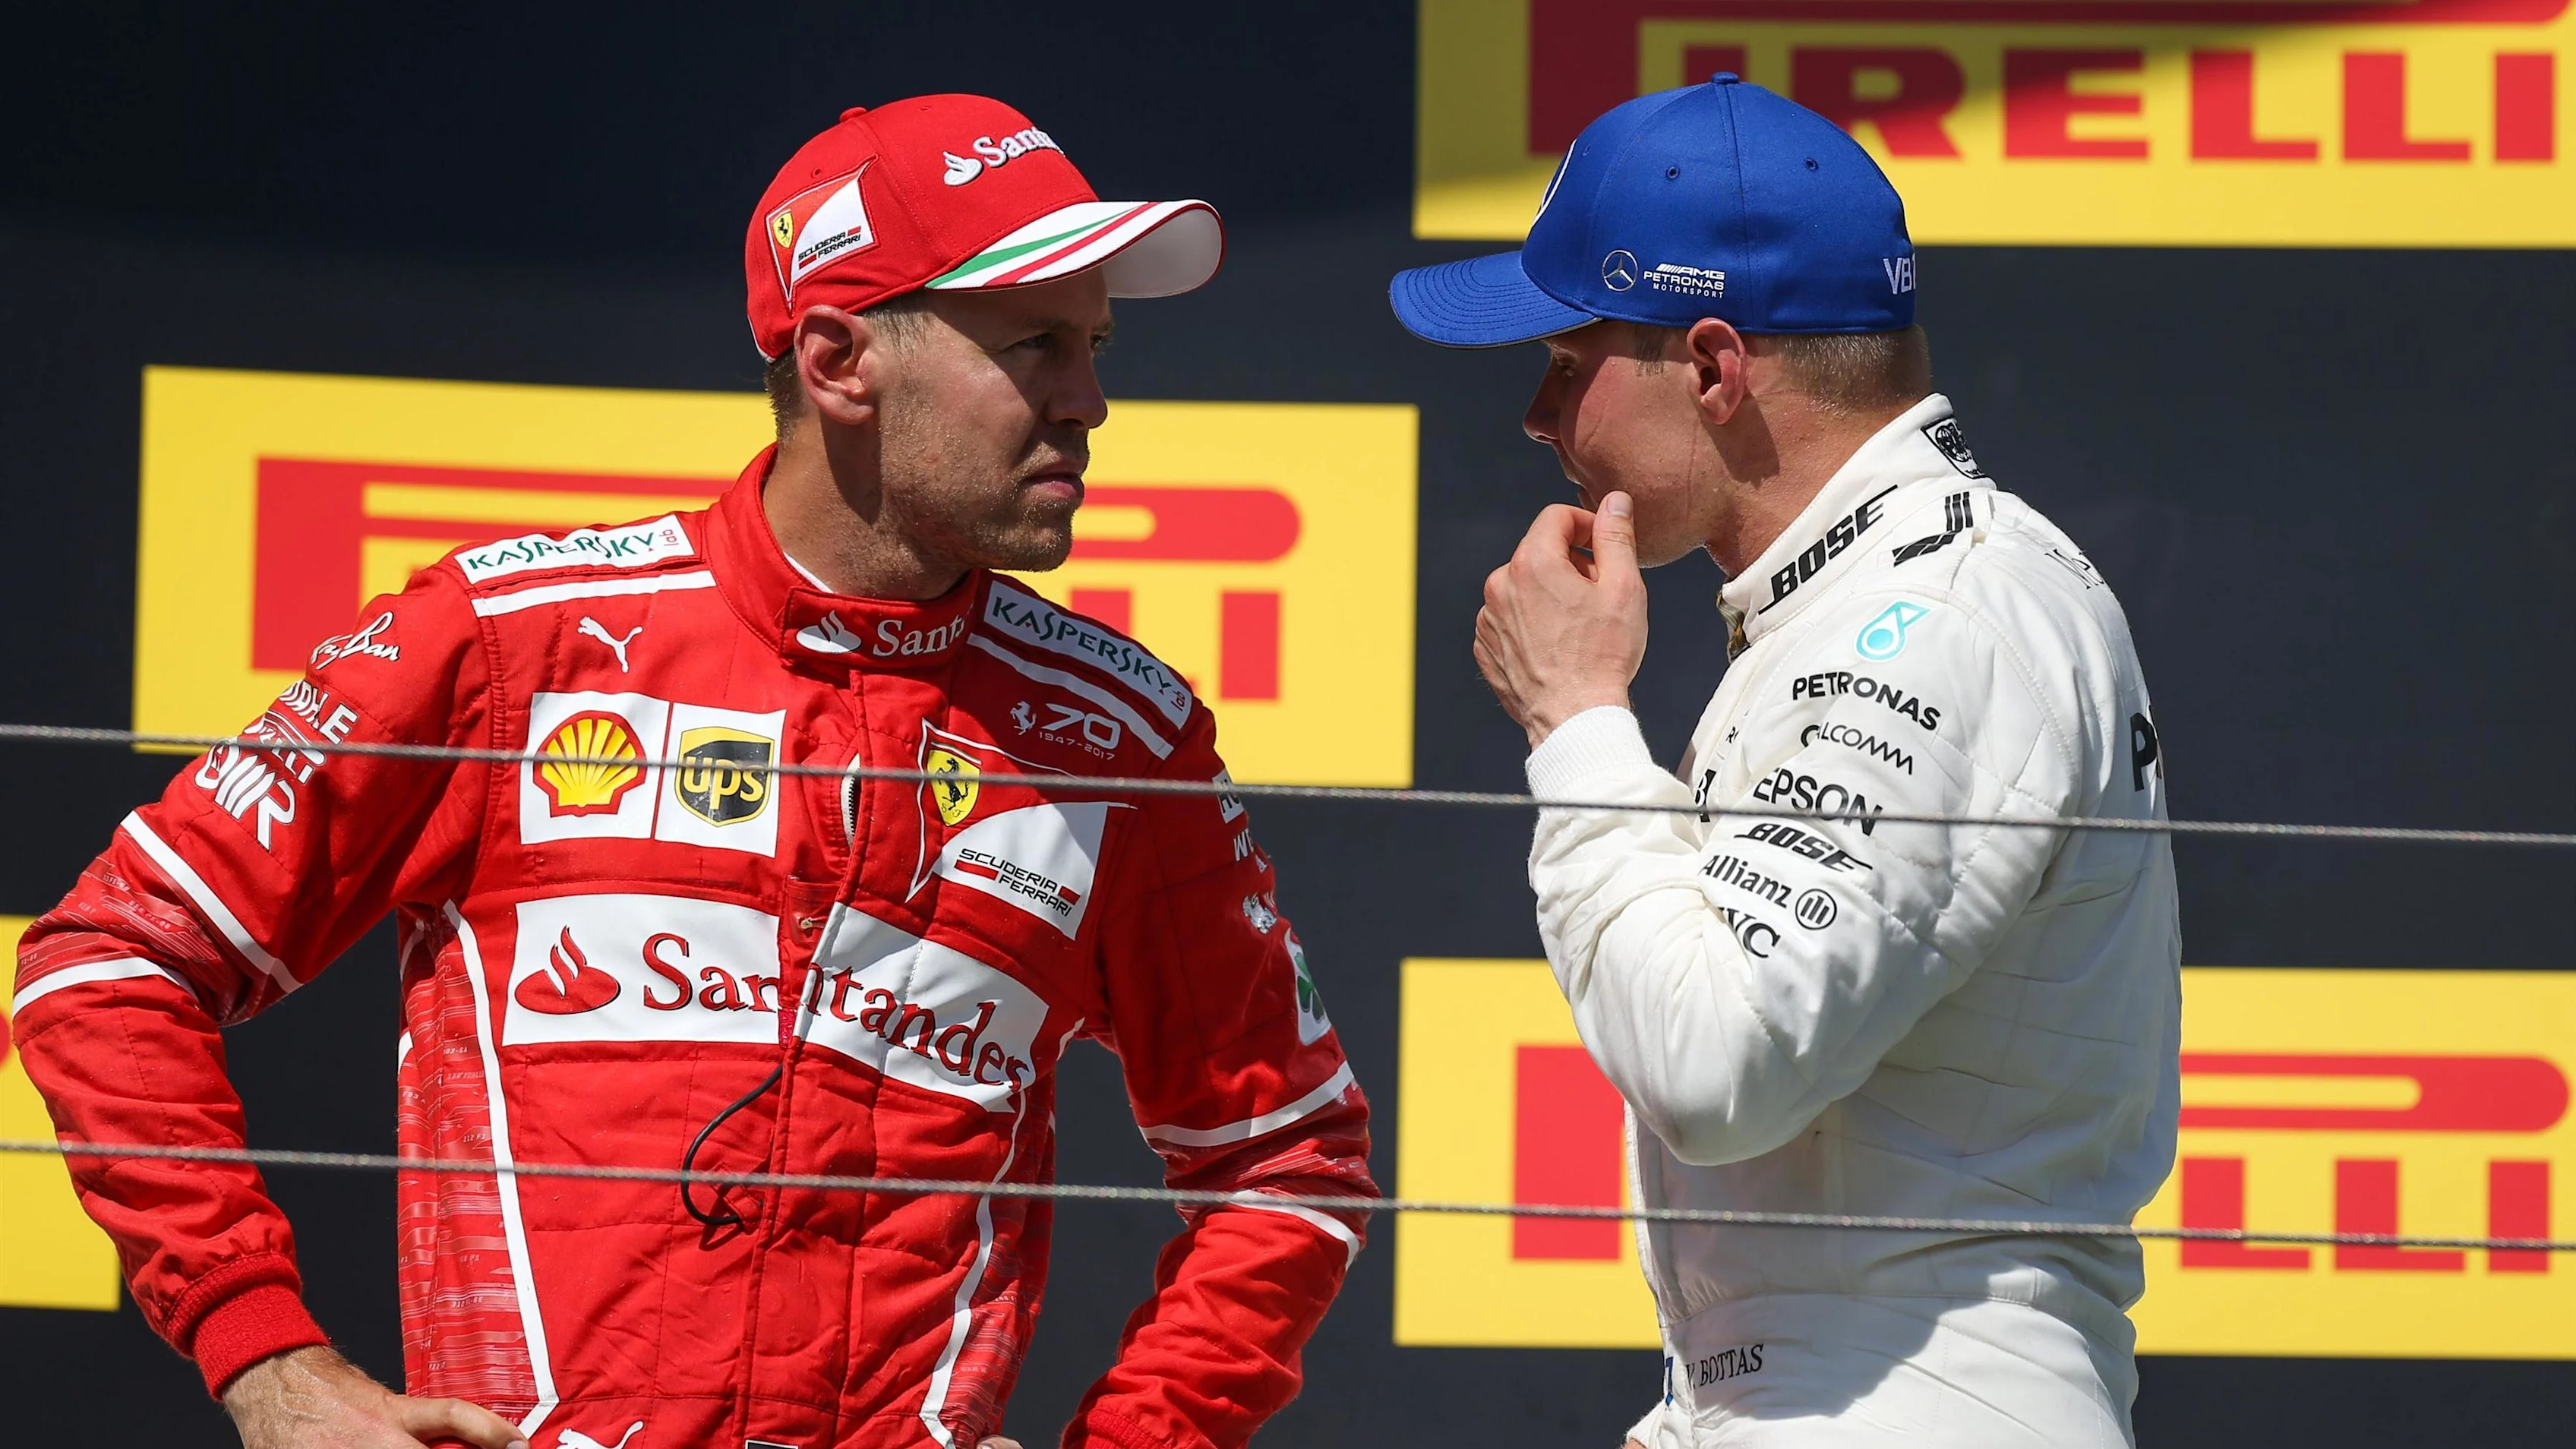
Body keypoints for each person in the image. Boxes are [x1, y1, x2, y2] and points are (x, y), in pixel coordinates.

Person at [12, 94, 1372, 1449]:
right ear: (841, 362)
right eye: (1037, 348)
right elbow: (107, 970)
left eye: (1095, 347)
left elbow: (1291, 1161)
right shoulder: (513, 641)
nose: (1093, 403)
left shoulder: (1120, 738)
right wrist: (272, 1363)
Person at [1389, 76, 2180, 1449]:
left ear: (1712, 367)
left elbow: (1718, 1063)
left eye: (1568, 362)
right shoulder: (1882, 595)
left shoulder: (1933, 618)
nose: (1534, 413)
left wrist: (1577, 720)